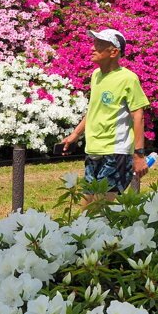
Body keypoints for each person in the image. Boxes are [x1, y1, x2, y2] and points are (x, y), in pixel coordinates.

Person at [62, 29, 150, 199]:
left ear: (114, 52)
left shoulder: (128, 79)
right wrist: (75, 134)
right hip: (93, 150)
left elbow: (138, 116)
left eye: (100, 45)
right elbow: (95, 109)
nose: (93, 48)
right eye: (94, 43)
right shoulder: (96, 75)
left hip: (115, 152)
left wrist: (139, 155)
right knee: (88, 212)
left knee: (102, 210)